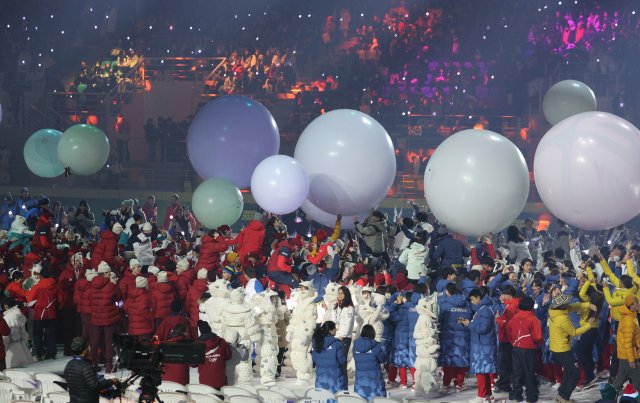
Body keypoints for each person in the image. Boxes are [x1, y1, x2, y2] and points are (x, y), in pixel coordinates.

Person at [548, 293, 596, 403]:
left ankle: (561, 395)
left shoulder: (555, 311)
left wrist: (588, 305)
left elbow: (574, 306)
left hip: (556, 347)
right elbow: (574, 332)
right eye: (566, 303)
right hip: (562, 349)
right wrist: (588, 325)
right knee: (575, 374)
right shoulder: (563, 318)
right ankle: (565, 398)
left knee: (569, 372)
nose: (568, 304)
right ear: (560, 305)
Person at [459, 288, 496, 403]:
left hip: (483, 346)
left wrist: (469, 324)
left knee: (481, 371)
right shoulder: (482, 309)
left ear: (479, 298)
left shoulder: (485, 310)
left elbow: (483, 329)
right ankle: (488, 395)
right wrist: (468, 323)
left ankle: (482, 396)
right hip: (482, 345)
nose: (472, 302)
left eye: (473, 299)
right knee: (484, 371)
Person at [506, 296, 544, 403]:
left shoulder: (515, 317)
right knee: (529, 372)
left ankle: (516, 394)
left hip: (516, 348)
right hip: (528, 348)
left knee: (517, 372)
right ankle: (531, 395)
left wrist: (513, 341)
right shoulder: (533, 320)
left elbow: (508, 330)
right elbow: (538, 337)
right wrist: (541, 343)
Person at [90, 262, 122, 373]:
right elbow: (118, 298)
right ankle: (109, 366)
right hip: (109, 317)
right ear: (105, 273)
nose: (110, 274)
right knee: (109, 342)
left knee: (95, 341)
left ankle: (93, 364)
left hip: (95, 316)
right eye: (108, 272)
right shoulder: (111, 286)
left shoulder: (92, 284)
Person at [64, 337, 118, 402]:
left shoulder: (69, 365)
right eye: (87, 347)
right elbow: (95, 386)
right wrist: (111, 381)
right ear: (84, 351)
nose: (89, 349)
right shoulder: (86, 366)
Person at [440, 282, 471, 392]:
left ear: (448, 292)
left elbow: (440, 320)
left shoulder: (444, 304)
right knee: (461, 359)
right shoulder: (467, 304)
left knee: (448, 360)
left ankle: (446, 384)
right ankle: (459, 384)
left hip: (449, 335)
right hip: (463, 336)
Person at [611, 294, 640, 395]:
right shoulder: (629, 321)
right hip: (630, 356)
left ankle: (608, 397)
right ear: (631, 305)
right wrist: (631, 360)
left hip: (624, 356)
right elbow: (627, 343)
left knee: (619, 381)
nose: (639, 304)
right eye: (637, 302)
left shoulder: (630, 315)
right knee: (637, 383)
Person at [27, 267, 58, 361]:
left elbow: (30, 301)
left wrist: (34, 307)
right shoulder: (55, 286)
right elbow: (59, 299)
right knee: (50, 334)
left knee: (37, 334)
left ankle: (41, 353)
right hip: (51, 313)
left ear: (40, 276)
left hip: (39, 314)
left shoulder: (36, 287)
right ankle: (52, 353)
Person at [353, 324, 387, 401]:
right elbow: (383, 359)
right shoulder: (376, 346)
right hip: (374, 382)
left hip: (360, 382)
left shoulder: (355, 346)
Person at [312, 321, 347, 393]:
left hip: (321, 381)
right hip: (335, 382)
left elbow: (314, 358)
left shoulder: (317, 343)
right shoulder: (337, 344)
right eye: (334, 328)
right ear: (330, 330)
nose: (336, 330)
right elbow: (342, 361)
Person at [196, 320, 232, 390]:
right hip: (221, 380)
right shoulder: (222, 341)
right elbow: (228, 356)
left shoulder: (198, 345)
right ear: (210, 330)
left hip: (205, 381)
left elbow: (193, 363)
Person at [2, 297, 33, 368]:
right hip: (21, 347)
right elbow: (24, 333)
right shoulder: (20, 316)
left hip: (10, 349)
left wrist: (4, 346)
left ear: (6, 306)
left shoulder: (7, 318)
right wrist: (23, 342)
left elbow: (6, 336)